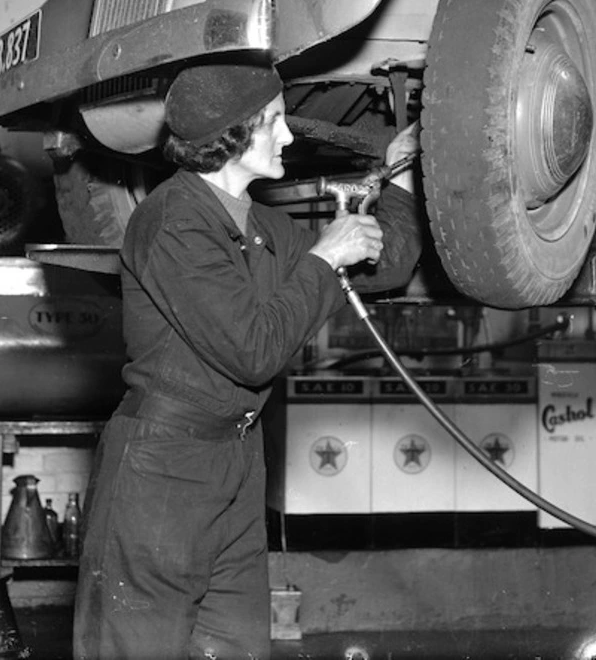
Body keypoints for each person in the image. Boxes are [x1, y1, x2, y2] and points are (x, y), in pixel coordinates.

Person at [73, 59, 422, 660]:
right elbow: (252, 351)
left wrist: (402, 173)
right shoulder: (172, 221)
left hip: (235, 459)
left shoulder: (261, 225)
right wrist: (322, 260)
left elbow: (387, 263)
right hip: (162, 467)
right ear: (232, 136)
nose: (289, 136)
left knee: (237, 647)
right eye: (276, 123)